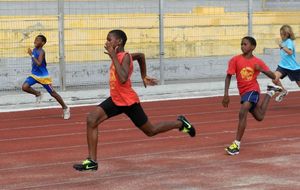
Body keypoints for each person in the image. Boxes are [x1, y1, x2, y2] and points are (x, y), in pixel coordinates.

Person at [73, 29, 195, 171]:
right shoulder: (125, 55)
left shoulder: (123, 57)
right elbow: (141, 56)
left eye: (109, 39)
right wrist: (144, 75)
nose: (106, 43)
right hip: (116, 99)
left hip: (128, 101)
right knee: (91, 119)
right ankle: (92, 161)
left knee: (151, 131)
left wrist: (113, 56)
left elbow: (123, 78)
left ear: (118, 41)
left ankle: (180, 123)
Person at [222, 36, 282, 156]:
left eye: (245, 44)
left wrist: (262, 70)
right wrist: (226, 94)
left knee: (243, 111)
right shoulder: (235, 60)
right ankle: (270, 92)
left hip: (253, 90)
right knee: (259, 117)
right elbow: (228, 76)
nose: (243, 46)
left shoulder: (257, 62)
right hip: (243, 93)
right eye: (241, 44)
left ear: (253, 47)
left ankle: (236, 145)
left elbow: (273, 76)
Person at [22, 35, 70, 120]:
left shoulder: (42, 52)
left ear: (42, 43)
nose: (35, 41)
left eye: (37, 40)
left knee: (53, 93)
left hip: (44, 77)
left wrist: (31, 55)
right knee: (24, 87)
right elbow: (43, 63)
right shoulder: (34, 50)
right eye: (35, 40)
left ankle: (65, 108)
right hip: (34, 75)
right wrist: (33, 55)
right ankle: (38, 93)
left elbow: (39, 63)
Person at [272, 25, 300, 102]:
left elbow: (290, 52)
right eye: (280, 34)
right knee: (274, 79)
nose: (281, 35)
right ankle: (283, 91)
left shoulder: (289, 42)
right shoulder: (283, 42)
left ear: (287, 34)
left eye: (282, 34)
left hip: (293, 67)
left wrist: (281, 47)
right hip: (283, 66)